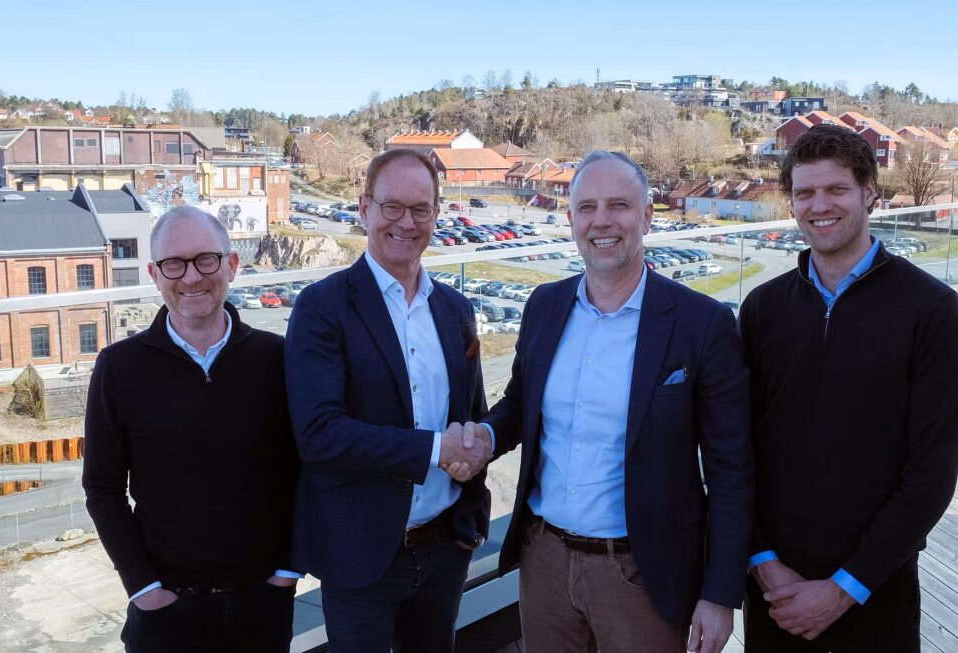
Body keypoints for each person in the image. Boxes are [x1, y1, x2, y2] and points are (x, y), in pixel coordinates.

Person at [469, 150, 754, 653]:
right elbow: (519, 402)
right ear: (571, 219)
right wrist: (486, 436)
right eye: (587, 207)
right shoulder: (544, 305)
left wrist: (719, 594)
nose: (601, 221)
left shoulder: (701, 323)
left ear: (646, 216)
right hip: (544, 561)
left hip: (644, 573)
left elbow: (731, 468)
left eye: (618, 205)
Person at [740, 124, 958, 652]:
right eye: (805, 193)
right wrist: (763, 562)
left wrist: (844, 589)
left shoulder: (932, 310)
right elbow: (735, 449)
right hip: (775, 593)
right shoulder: (762, 309)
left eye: (836, 189)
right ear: (791, 203)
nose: (820, 205)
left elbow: (933, 472)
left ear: (869, 191)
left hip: (876, 590)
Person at [285, 149, 490, 653]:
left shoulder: (456, 310)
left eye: (421, 209)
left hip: (445, 547)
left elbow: (473, 414)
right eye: (391, 206)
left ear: (436, 215)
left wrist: (473, 468)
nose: (406, 222)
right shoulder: (322, 307)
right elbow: (319, 434)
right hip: (362, 557)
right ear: (364, 208)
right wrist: (435, 450)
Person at [83, 206, 299, 652]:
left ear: (231, 264)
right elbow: (102, 488)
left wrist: (288, 571)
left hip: (262, 604)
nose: (191, 277)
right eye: (174, 264)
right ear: (154, 274)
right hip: (166, 612)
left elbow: (305, 470)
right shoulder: (119, 367)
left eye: (206, 259)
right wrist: (143, 589)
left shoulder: (277, 359)